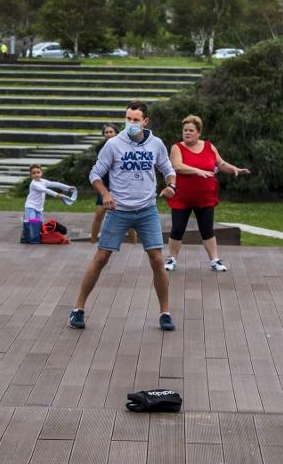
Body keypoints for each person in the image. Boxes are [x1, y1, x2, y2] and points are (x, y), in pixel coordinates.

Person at [70, 101, 178, 332]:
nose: (130, 123)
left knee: (158, 260)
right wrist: (106, 194)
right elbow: (95, 174)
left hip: (147, 210)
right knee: (101, 258)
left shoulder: (156, 144)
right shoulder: (113, 144)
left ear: (145, 122)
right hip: (119, 210)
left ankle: (165, 313)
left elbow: (168, 169)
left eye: (135, 119)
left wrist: (171, 186)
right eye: (128, 118)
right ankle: (78, 309)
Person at [165, 115, 251, 273]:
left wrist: (234, 169)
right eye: (185, 130)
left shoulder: (209, 147)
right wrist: (198, 171)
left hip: (205, 197)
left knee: (207, 229)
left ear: (199, 132)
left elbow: (221, 164)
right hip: (182, 197)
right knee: (177, 228)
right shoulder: (177, 147)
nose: (187, 133)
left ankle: (215, 260)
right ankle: (171, 259)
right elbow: (177, 166)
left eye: (191, 130)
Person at [22, 164, 74, 243]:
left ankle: (32, 238)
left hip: (39, 208)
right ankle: (25, 238)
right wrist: (56, 195)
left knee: (39, 225)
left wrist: (68, 187)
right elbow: (45, 190)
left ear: (41, 173)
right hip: (30, 207)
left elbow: (55, 184)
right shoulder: (34, 184)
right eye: (34, 173)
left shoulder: (43, 181)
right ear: (30, 175)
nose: (36, 174)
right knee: (32, 223)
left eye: (38, 172)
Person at [89, 123, 120, 243]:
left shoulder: (123, 146)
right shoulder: (100, 148)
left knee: (126, 218)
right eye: (106, 132)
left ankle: (133, 243)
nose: (108, 134)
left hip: (120, 185)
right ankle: (92, 242)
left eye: (111, 132)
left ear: (116, 133)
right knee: (99, 213)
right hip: (105, 185)